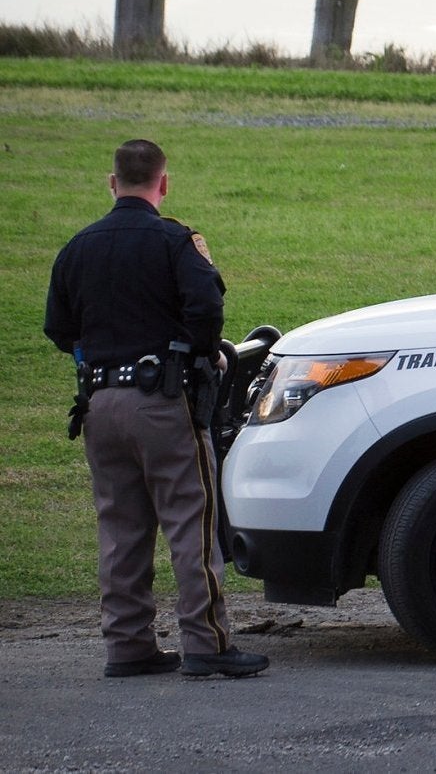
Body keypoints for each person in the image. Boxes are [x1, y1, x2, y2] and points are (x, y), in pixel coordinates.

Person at [43, 140, 269, 680]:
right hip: (164, 404)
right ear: (162, 183)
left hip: (99, 404)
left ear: (111, 182)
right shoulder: (175, 240)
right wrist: (198, 349)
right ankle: (205, 643)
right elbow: (207, 304)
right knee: (192, 520)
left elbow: (58, 326)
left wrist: (98, 354)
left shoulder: (78, 247)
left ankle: (126, 646)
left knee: (121, 528)